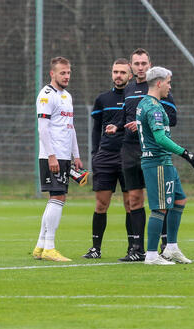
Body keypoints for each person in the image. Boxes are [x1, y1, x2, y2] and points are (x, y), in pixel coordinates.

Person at [106, 48, 177, 261]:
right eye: (136, 64)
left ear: (149, 65)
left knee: (160, 201)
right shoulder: (128, 90)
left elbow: (172, 118)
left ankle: (166, 245)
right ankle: (137, 248)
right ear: (131, 67)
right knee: (134, 200)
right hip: (130, 150)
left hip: (153, 151)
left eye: (143, 63)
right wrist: (116, 127)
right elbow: (124, 116)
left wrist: (142, 124)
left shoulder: (159, 87)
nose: (140, 68)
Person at [136, 66, 194, 265]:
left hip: (165, 162)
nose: (169, 87)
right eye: (168, 82)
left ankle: (171, 248)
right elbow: (159, 138)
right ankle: (151, 255)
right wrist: (186, 153)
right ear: (158, 83)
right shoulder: (154, 107)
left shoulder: (145, 103)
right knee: (160, 208)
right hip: (156, 162)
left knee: (179, 200)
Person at [32, 56, 82, 262]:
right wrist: (52, 155)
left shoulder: (67, 96)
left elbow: (70, 128)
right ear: (52, 73)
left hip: (64, 156)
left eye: (69, 72)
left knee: (57, 198)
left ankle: (40, 246)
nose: (67, 76)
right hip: (52, 155)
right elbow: (42, 129)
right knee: (57, 197)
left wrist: (76, 155)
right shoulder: (46, 95)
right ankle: (50, 248)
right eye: (62, 72)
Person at [82, 58, 131, 259]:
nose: (118, 75)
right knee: (101, 204)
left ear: (130, 75)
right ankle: (96, 248)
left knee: (132, 204)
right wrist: (95, 154)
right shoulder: (103, 99)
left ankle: (134, 248)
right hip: (106, 157)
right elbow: (95, 130)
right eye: (115, 72)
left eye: (122, 72)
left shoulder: (136, 97)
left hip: (129, 157)